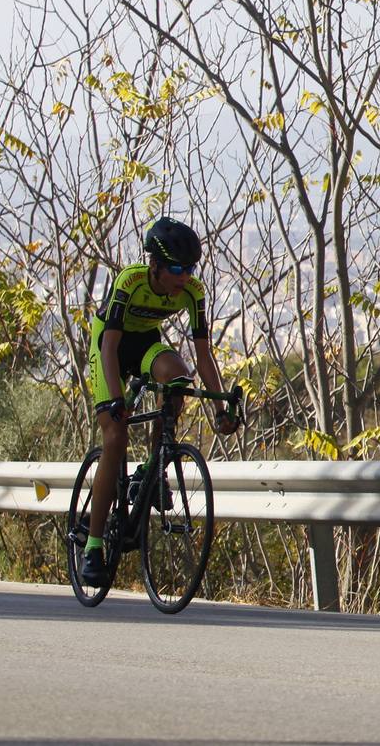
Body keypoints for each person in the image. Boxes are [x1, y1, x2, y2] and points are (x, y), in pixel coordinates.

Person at [80, 217, 239, 585]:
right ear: (155, 265)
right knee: (115, 439)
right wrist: (117, 400)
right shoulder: (131, 282)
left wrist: (220, 407)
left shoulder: (193, 292)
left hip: (145, 342)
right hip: (109, 345)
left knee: (179, 377)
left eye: (191, 268)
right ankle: (93, 546)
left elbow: (203, 356)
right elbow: (110, 346)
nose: (185, 276)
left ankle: (153, 466)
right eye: (177, 269)